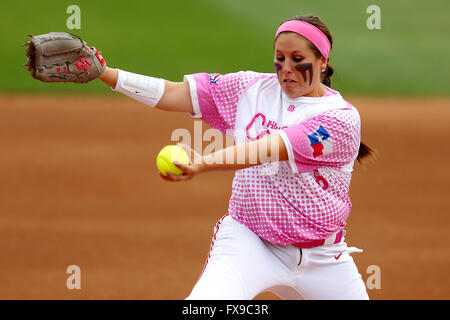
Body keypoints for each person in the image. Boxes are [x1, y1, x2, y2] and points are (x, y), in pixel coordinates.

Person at [28, 14, 373, 299]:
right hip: (250, 242)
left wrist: (204, 162)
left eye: (299, 61)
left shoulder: (340, 119)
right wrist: (106, 74)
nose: (286, 69)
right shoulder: (251, 89)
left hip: (324, 258)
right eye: (280, 58)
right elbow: (176, 94)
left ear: (323, 61)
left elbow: (270, 149)